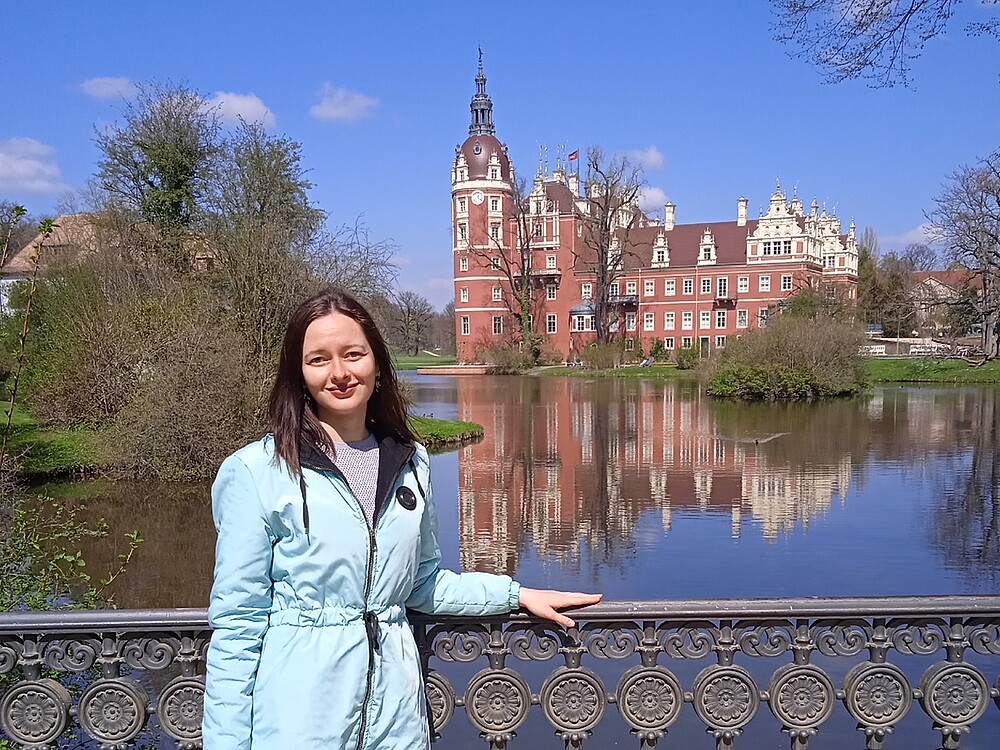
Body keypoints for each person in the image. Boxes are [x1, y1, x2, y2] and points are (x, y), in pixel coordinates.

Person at [202, 288, 601, 750]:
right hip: (299, 720)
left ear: (376, 363)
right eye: (318, 360)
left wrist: (517, 594)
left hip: (396, 719)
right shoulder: (258, 472)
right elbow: (238, 625)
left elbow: (422, 584)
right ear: (299, 373)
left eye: (353, 354)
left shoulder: (412, 462)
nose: (339, 373)